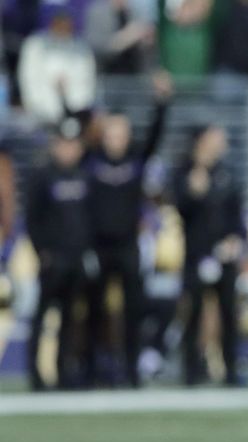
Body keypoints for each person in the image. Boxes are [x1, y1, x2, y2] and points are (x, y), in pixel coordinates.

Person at [85, 70, 172, 387]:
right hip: (98, 245)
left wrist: (161, 101)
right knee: (96, 309)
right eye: (111, 133)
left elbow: (156, 136)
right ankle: (94, 369)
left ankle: (133, 372)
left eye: (121, 133)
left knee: (134, 309)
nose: (116, 139)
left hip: (127, 244)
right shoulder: (92, 161)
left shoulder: (136, 160)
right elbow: (79, 130)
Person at [174, 124, 246, 386]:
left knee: (229, 313)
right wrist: (193, 191)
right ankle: (191, 371)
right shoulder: (185, 171)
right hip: (196, 254)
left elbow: (238, 215)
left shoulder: (227, 173)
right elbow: (181, 210)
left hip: (224, 255)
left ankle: (230, 370)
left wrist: (236, 239)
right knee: (192, 313)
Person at [25, 116, 92, 390]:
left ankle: (65, 372)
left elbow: (90, 218)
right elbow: (32, 219)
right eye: (64, 144)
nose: (68, 150)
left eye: (73, 144)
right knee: (42, 317)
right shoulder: (43, 175)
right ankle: (36, 375)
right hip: (52, 258)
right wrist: (42, 251)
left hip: (76, 258)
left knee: (69, 318)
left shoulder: (85, 176)